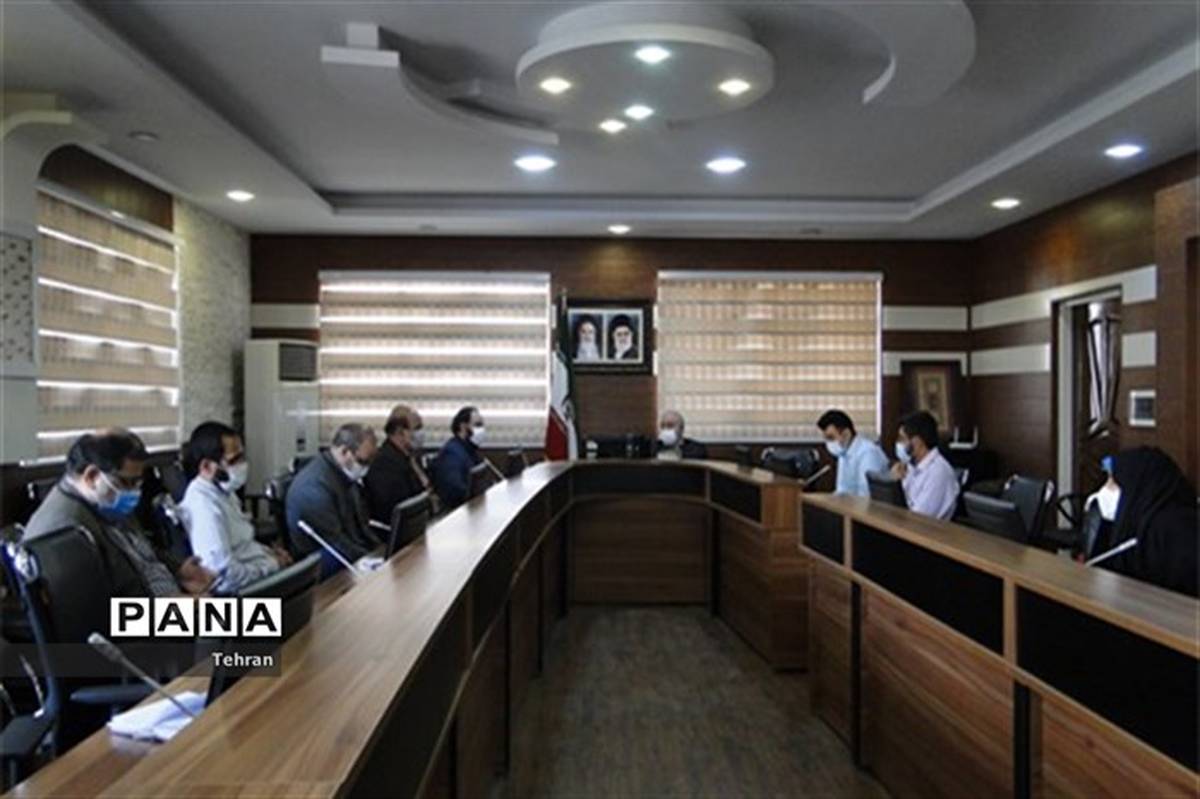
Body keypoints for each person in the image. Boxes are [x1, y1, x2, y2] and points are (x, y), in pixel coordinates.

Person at [22, 429, 215, 597]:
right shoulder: (62, 530)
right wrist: (176, 609)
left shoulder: (104, 499)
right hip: (139, 623)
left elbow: (140, 551)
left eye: (137, 483)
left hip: (166, 600)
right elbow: (95, 617)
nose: (134, 491)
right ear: (92, 476)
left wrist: (179, 570)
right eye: (127, 482)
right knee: (229, 619)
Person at [179, 421, 290, 594]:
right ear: (207, 467)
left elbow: (242, 546)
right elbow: (223, 577)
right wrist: (273, 565)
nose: (243, 464)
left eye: (242, 456)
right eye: (234, 460)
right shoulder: (203, 506)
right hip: (244, 593)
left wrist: (269, 553)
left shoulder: (224, 491)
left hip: (260, 572)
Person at [1086, 447, 1198, 597]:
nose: (1105, 489)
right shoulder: (1133, 521)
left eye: (1113, 482)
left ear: (1137, 483)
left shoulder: (1177, 531)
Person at [285, 423, 381, 574]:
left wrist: (381, 550)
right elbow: (336, 543)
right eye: (363, 461)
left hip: (351, 555)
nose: (367, 468)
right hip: (325, 567)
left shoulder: (343, 474)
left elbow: (360, 527)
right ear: (344, 451)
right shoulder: (314, 488)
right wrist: (371, 557)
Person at [363, 404, 434, 523]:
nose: (421, 433)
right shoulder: (384, 463)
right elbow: (396, 509)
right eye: (417, 428)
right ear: (399, 432)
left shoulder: (411, 457)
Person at [890, 411, 959, 520]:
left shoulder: (938, 472)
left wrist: (897, 485)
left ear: (917, 441)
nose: (899, 443)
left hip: (927, 529)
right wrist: (896, 480)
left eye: (903, 438)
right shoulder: (912, 467)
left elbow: (918, 518)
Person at [817, 409, 888, 497]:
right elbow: (842, 490)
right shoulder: (843, 453)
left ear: (846, 434)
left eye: (831, 438)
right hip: (850, 504)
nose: (829, 443)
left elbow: (866, 495)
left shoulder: (868, 453)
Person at [432, 406, 485, 509]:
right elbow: (456, 491)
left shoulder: (471, 450)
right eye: (477, 425)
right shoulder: (451, 454)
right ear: (463, 427)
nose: (481, 430)